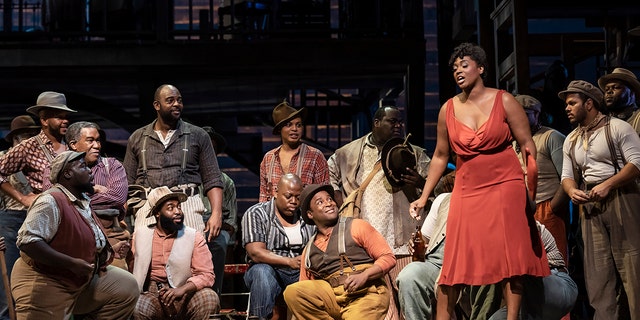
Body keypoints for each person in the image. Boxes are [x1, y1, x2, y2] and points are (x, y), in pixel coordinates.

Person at [409, 42, 549, 320]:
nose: (458, 71)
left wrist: (530, 194)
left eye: (464, 65)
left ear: (481, 68)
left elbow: (528, 147)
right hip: (468, 188)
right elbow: (439, 155)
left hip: (506, 184)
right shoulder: (447, 110)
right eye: (454, 68)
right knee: (456, 262)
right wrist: (423, 197)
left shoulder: (504, 100)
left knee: (511, 260)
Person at [328, 105, 430, 320]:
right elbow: (330, 176)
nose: (397, 126)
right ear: (376, 123)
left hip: (402, 244)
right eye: (392, 121)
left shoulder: (414, 153)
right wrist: (341, 203)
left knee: (407, 299)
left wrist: (420, 183)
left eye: (400, 122)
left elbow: (436, 190)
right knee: (379, 305)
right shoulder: (349, 153)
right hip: (366, 246)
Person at [10, 151, 139, 319]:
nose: (90, 171)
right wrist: (71, 264)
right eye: (83, 166)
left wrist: (109, 250)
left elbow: (76, 239)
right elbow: (28, 242)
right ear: (68, 173)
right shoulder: (50, 200)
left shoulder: (82, 201)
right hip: (45, 279)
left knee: (125, 287)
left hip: (76, 277)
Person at [559, 79, 640, 319]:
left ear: (590, 103)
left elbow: (636, 163)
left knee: (632, 268)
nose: (567, 108)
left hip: (622, 196)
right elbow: (566, 176)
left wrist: (608, 184)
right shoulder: (571, 139)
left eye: (573, 103)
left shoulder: (617, 127)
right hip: (590, 205)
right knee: (598, 274)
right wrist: (572, 190)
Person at [123, 84, 224, 242]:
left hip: (187, 204)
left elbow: (213, 178)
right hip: (149, 204)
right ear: (157, 105)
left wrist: (216, 214)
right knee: (145, 260)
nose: (176, 104)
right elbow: (126, 181)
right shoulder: (138, 137)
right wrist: (121, 217)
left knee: (191, 259)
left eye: (179, 100)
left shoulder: (198, 135)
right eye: (170, 100)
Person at [283, 184, 396, 319]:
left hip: (365, 294)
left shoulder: (356, 226)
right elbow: (305, 288)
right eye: (320, 202)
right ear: (310, 214)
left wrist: (364, 275)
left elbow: (388, 257)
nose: (328, 204)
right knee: (293, 292)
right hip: (334, 297)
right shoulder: (309, 250)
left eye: (330, 199)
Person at [131, 186, 220, 319]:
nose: (177, 211)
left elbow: (207, 275)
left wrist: (182, 289)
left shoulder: (193, 236)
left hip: (185, 293)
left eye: (179, 207)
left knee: (209, 298)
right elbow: (133, 269)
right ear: (157, 213)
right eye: (170, 208)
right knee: (137, 305)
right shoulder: (140, 235)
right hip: (152, 293)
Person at [241, 173, 315, 319]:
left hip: (300, 271)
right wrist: (289, 262)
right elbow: (255, 253)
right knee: (262, 273)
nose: (294, 201)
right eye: (288, 196)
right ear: (275, 192)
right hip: (268, 268)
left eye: (298, 197)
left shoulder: (306, 216)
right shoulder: (257, 213)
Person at [66, 121, 131, 270]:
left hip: (109, 236)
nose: (97, 145)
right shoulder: (57, 168)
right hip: (72, 237)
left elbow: (117, 197)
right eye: (90, 140)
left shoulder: (113, 166)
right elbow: (56, 201)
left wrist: (76, 197)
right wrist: (93, 189)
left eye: (98, 140)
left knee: (120, 284)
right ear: (73, 144)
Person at [514, 94, 569, 264]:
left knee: (553, 260)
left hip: (545, 205)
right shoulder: (513, 142)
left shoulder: (551, 137)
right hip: (520, 208)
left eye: (525, 114)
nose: (518, 118)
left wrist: (553, 207)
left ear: (536, 114)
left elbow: (567, 177)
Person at [0, 115, 40, 320]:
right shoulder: (4, 159)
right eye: (27, 136)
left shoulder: (40, 159)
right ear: (15, 139)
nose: (32, 140)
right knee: (7, 284)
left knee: (39, 282)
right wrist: (22, 197)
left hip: (41, 222)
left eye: (35, 135)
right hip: (12, 219)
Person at [259, 100, 329, 202]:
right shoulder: (269, 158)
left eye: (299, 125)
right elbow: (264, 195)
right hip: (272, 216)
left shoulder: (314, 156)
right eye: (289, 125)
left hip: (304, 216)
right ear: (279, 129)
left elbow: (323, 194)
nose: (294, 129)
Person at [202, 126, 237, 294]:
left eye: (212, 149)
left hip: (217, 229)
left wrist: (216, 225)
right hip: (190, 228)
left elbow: (231, 225)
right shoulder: (188, 178)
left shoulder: (226, 182)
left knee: (220, 241)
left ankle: (214, 295)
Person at [597, 67, 640, 134]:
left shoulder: (638, 118)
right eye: (606, 89)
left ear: (632, 93)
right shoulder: (603, 122)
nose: (609, 92)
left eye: (616, 87)